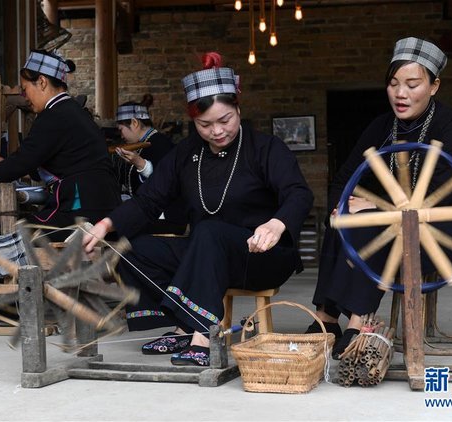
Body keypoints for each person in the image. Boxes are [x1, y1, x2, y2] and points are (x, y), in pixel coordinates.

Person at [83, 52, 313, 366]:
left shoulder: (265, 148)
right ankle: (183, 324)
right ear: (194, 121)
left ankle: (202, 335)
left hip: (260, 255)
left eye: (225, 120)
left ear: (238, 110)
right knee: (133, 248)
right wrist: (105, 226)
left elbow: (298, 194)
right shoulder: (185, 154)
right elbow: (149, 200)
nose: (217, 131)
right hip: (206, 252)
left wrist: (276, 224)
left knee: (209, 231)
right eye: (205, 124)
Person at [308, 37, 452, 359]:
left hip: (451, 229)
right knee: (344, 217)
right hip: (401, 219)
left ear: (434, 86)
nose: (400, 93)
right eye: (393, 83)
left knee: (381, 225)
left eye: (412, 84)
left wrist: (377, 208)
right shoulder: (382, 126)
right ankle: (327, 317)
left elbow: (438, 195)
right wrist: (342, 206)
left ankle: (358, 319)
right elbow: (344, 177)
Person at [0, 50, 121, 241]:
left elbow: (21, 162)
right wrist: (9, 164)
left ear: (42, 82)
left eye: (26, 89)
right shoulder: (75, 112)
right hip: (104, 204)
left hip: (82, 207)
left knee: (16, 239)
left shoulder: (53, 116)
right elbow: (58, 160)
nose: (25, 97)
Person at [113, 95, 187, 234]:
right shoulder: (140, 144)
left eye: (121, 129)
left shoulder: (161, 144)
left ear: (134, 123)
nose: (121, 135)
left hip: (166, 217)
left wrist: (141, 164)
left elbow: (168, 184)